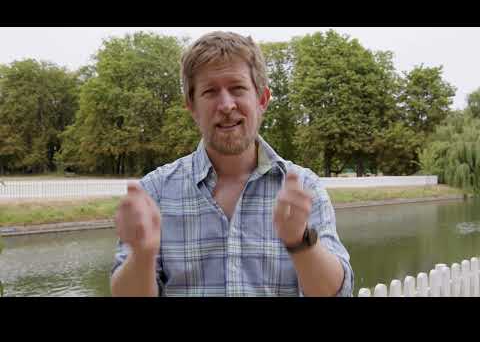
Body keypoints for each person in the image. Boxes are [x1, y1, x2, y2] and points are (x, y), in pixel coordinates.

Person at [110, 31, 353, 297]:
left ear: (262, 99)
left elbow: (336, 292)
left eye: (237, 88)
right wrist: (143, 256)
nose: (226, 105)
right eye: (210, 92)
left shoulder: (305, 187)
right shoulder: (153, 192)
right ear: (191, 106)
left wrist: (301, 242)